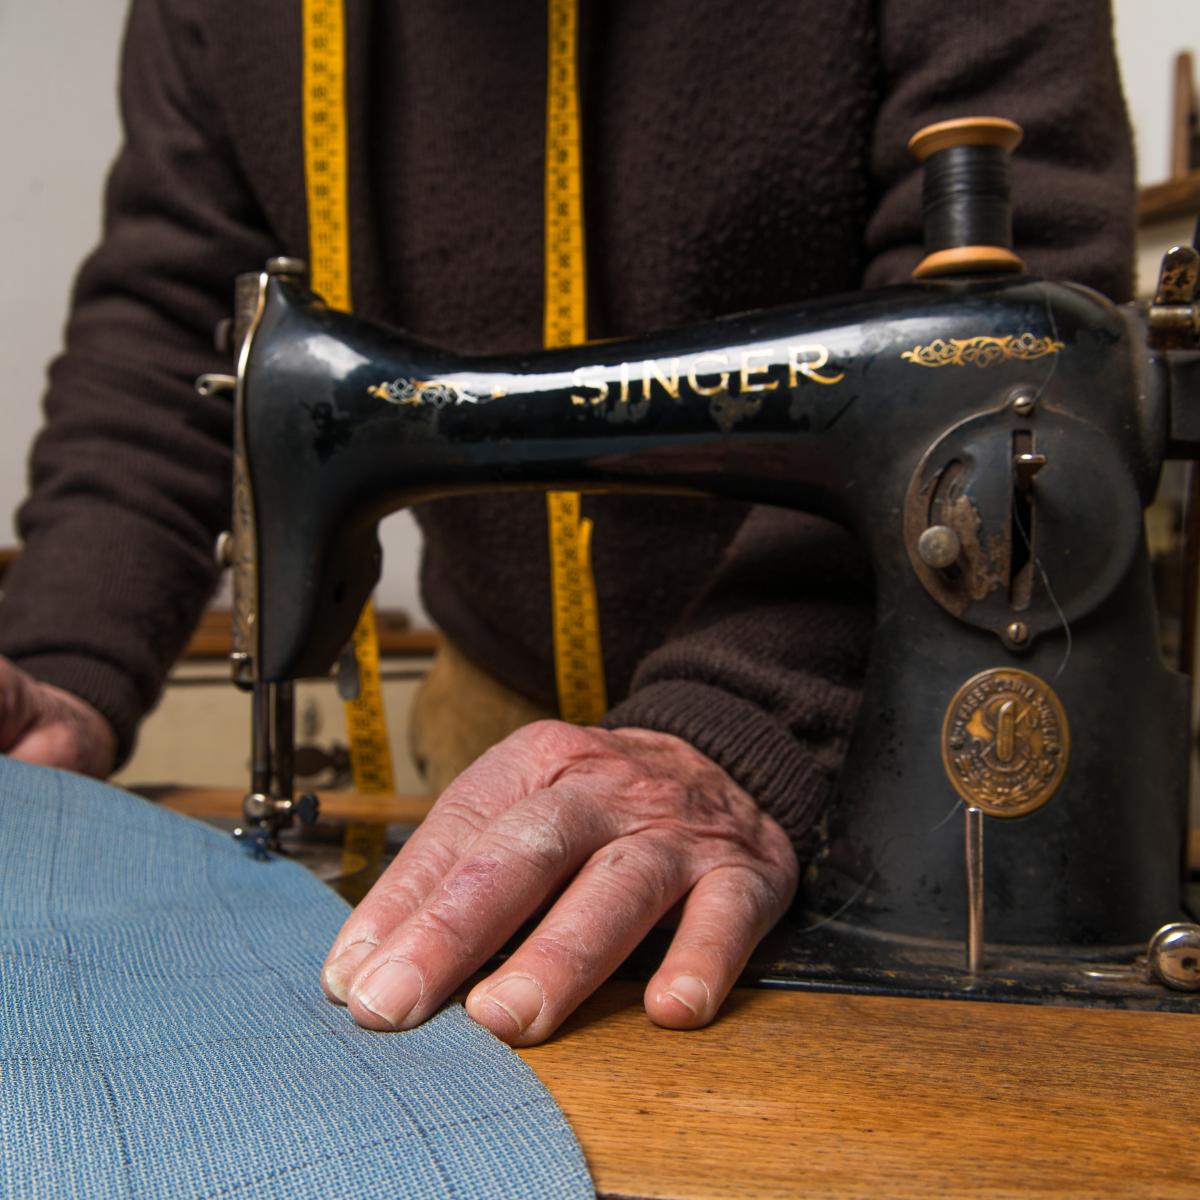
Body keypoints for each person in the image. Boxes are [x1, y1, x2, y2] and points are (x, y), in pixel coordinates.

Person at [0, 1, 1134, 1045]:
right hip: (484, 732)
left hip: (868, 735)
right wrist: (62, 659)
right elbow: (172, 336)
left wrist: (749, 717)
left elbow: (1004, 368)